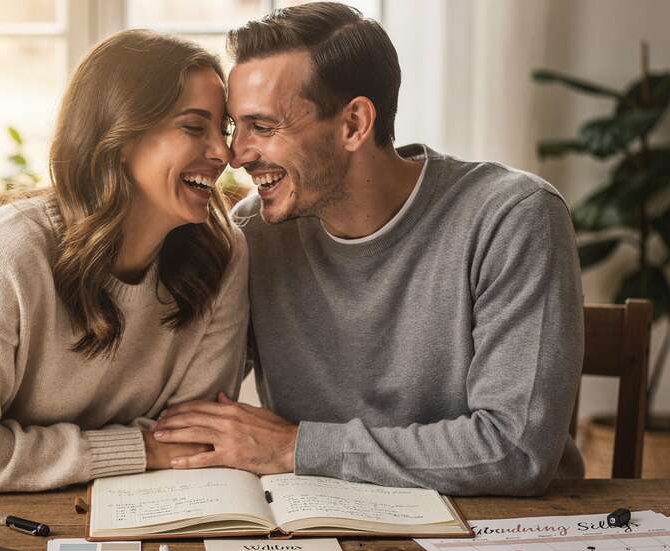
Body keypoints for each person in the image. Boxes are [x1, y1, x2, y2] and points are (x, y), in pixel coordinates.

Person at [153, 2, 584, 496]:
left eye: (264, 127)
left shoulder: (512, 217)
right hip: (320, 518)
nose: (236, 154)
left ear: (354, 124)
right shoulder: (254, 231)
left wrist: (296, 448)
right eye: (237, 127)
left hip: (506, 532)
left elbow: (516, 450)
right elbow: (191, 396)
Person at [0, 30, 248, 493]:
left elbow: (190, 441)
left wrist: (141, 452)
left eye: (223, 131)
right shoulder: (11, 248)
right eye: (194, 127)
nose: (224, 153)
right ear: (119, 135)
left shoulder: (222, 252)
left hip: (140, 507)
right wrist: (138, 449)